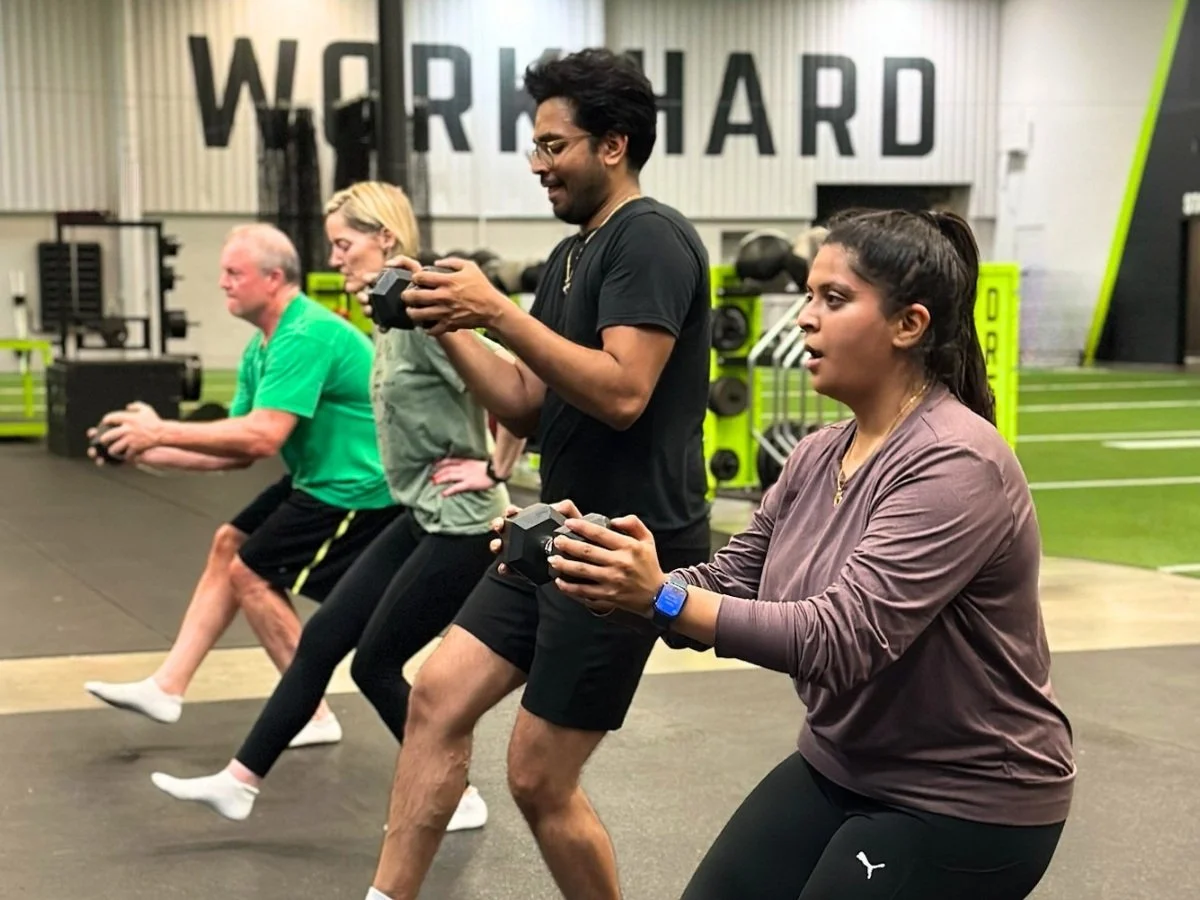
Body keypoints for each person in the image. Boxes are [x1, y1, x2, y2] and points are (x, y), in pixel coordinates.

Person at [542, 208, 1077, 900]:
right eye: (808, 295)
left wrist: (662, 596)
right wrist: (599, 562)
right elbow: (733, 579)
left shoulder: (957, 462)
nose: (803, 318)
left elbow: (842, 638)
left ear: (908, 325)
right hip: (844, 762)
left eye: (833, 299)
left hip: (968, 796)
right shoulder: (820, 452)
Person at [361, 48, 714, 900]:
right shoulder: (568, 256)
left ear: (614, 145)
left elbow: (624, 391)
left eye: (554, 145)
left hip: (621, 551)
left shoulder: (650, 239)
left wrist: (498, 312)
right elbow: (525, 404)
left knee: (537, 778)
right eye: (535, 144)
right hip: (554, 528)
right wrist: (446, 319)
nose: (537, 163)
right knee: (434, 698)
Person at [143, 181, 526, 833]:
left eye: (345, 245)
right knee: (322, 637)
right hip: (419, 514)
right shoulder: (388, 318)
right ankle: (240, 783)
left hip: (465, 525)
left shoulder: (430, 310)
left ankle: (457, 793)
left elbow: (519, 388)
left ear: (386, 239)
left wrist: (495, 467)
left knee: (376, 663)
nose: (337, 258)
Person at [83, 223, 402, 749]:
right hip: (319, 479)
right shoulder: (264, 346)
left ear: (273, 278)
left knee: (251, 575)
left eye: (234, 273)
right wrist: (139, 449)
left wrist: (158, 428)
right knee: (228, 544)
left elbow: (262, 436)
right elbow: (231, 450)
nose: (224, 284)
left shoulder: (306, 334)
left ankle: (313, 712)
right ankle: (168, 687)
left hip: (362, 490)